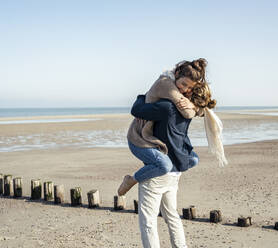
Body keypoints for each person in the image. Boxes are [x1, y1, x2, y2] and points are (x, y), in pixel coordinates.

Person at [118, 59, 225, 196]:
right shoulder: (166, 84)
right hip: (139, 138)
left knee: (193, 160)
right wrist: (193, 107)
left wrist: (195, 105)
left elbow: (199, 109)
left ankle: (155, 174)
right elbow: (187, 113)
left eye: (190, 88)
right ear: (177, 73)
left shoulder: (176, 86)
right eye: (183, 84)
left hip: (153, 138)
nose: (185, 89)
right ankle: (131, 180)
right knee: (165, 166)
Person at [129, 90, 216, 248]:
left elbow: (137, 110)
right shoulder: (190, 111)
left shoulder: (167, 107)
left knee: (149, 221)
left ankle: (133, 179)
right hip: (175, 173)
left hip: (157, 175)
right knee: (172, 216)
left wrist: (142, 96)